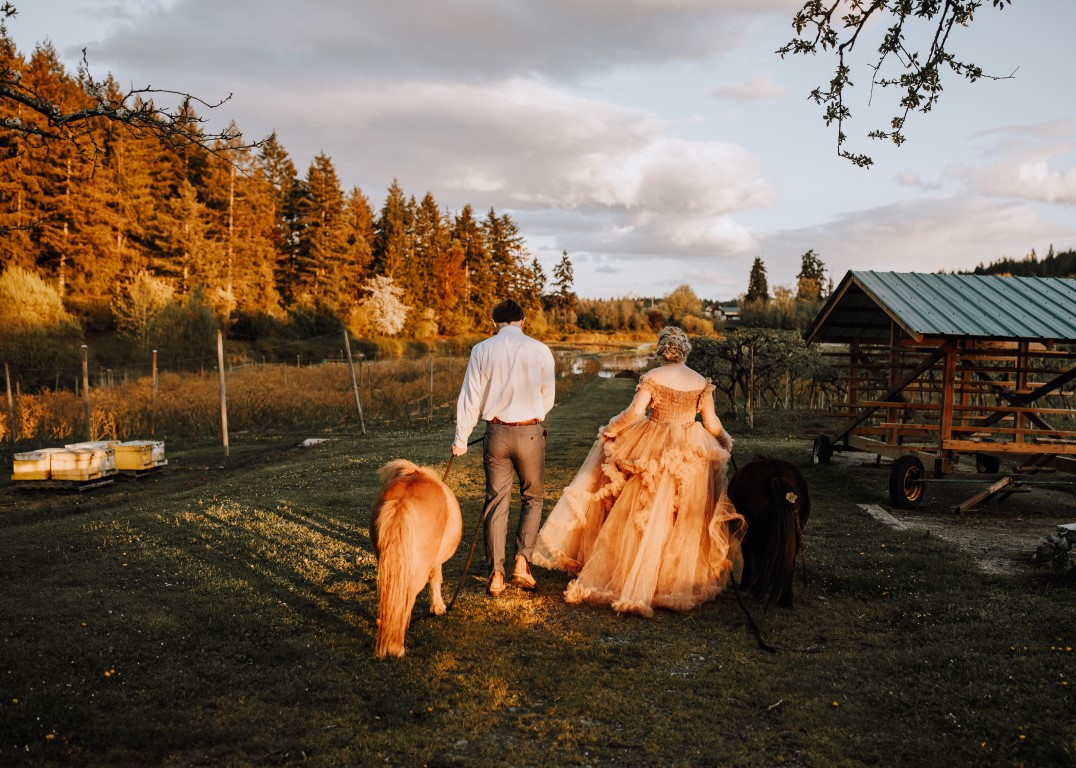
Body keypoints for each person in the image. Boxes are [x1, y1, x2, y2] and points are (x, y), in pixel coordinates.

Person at [532, 326, 744, 617]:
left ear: (662, 350)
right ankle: (670, 580)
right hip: (689, 449)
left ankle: (636, 574)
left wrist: (612, 428)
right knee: (682, 515)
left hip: (653, 445)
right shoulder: (699, 382)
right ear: (685, 350)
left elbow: (635, 413)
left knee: (641, 512)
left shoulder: (653, 377)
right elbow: (711, 423)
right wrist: (724, 441)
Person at [452, 299, 556, 597]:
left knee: (496, 501)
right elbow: (547, 396)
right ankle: (522, 562)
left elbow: (470, 397)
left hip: (496, 433)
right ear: (523, 321)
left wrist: (461, 439)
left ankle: (496, 576)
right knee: (532, 498)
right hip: (530, 432)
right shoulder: (540, 350)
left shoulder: (481, 349)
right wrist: (532, 413)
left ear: (494, 322)